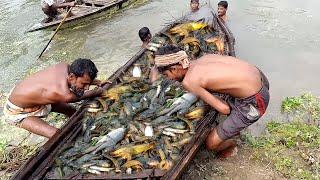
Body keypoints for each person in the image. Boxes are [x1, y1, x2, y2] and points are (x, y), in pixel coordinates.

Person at [152, 45, 270, 158]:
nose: (168, 78)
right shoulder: (204, 58)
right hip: (260, 78)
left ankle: (232, 143)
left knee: (211, 143)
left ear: (174, 69)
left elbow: (225, 109)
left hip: (256, 100)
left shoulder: (189, 82)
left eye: (166, 75)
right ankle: (233, 126)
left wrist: (201, 95)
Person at [3, 58, 108, 138]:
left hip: (32, 96)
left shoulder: (64, 66)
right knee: (55, 134)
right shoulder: (63, 94)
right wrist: (97, 91)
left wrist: (97, 81)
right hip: (18, 112)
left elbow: (81, 81)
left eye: (88, 84)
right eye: (84, 84)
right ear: (71, 77)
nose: (87, 87)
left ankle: (82, 128)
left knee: (71, 110)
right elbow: (83, 95)